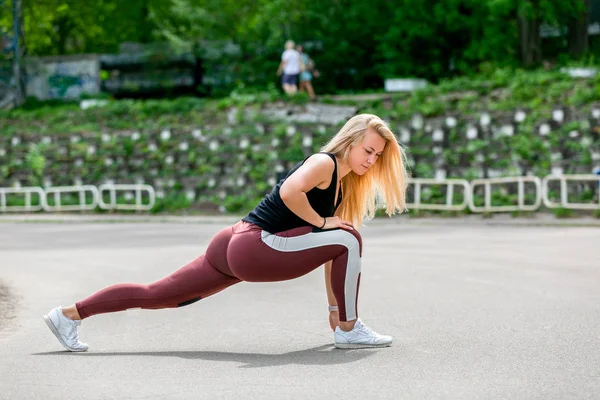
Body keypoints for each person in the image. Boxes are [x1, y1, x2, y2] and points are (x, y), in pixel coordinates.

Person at [43, 114, 409, 352]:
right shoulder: (324, 163)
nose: (371, 160)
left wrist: (333, 306)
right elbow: (288, 193)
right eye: (369, 150)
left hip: (234, 240)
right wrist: (325, 222)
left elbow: (332, 256)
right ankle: (350, 328)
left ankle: (69, 315)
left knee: (159, 295)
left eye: (377, 156)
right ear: (349, 141)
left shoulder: (342, 184)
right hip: (255, 246)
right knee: (348, 236)